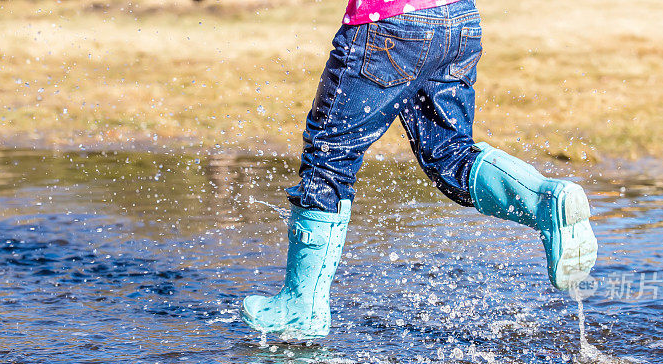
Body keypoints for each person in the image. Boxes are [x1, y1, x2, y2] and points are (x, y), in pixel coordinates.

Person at [241, 0, 598, 340]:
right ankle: (543, 200)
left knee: (330, 156)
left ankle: (300, 308)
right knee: (450, 154)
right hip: (458, 21)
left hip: (388, 23)